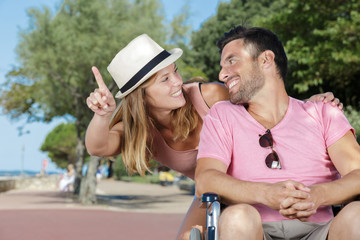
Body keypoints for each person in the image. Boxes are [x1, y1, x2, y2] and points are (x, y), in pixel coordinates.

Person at [85, 34, 342, 239]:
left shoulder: (209, 96)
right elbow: (98, 147)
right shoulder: (140, 132)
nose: (177, 82)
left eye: (175, 71)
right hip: (213, 190)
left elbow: (263, 103)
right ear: (140, 95)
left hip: (252, 183)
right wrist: (102, 115)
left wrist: (308, 107)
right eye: (165, 79)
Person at [195, 25, 360, 239]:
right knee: (237, 216)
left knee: (357, 215)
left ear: (266, 60)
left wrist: (317, 195)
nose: (222, 74)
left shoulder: (323, 113)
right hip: (255, 229)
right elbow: (205, 180)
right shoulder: (221, 114)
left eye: (231, 60)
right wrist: (266, 193)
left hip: (321, 230)